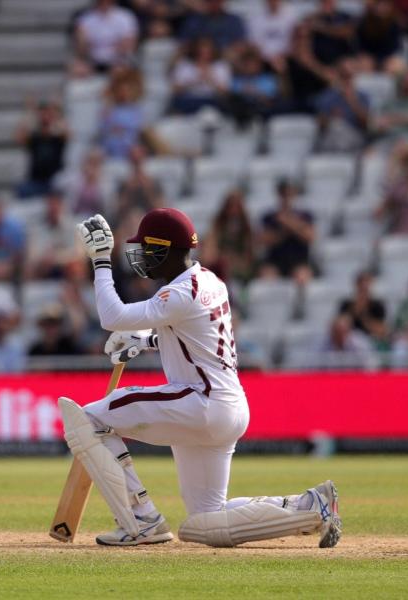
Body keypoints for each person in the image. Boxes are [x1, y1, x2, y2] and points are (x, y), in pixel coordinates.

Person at [64, 207, 340, 547]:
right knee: (204, 523)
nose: (142, 258)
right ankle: (310, 507)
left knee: (88, 418)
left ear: (163, 249)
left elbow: (112, 315)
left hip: (200, 402)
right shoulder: (210, 281)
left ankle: (141, 520)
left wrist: (101, 260)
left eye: (147, 250)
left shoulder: (179, 292)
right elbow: (195, 340)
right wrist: (146, 341)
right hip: (227, 407)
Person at [259, 179, 315, 282]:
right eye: (283, 194)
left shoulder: (305, 216)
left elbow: (310, 237)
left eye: (289, 194)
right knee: (267, 277)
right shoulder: (269, 217)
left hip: (299, 261)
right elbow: (263, 240)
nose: (286, 198)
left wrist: (289, 223)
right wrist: (283, 231)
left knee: (302, 277)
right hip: (275, 261)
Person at [15, 99, 68, 199]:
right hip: (36, 182)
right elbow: (19, 138)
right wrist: (29, 113)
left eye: (48, 114)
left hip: (54, 183)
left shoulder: (57, 138)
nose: (45, 117)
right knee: (21, 189)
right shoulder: (34, 138)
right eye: (43, 114)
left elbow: (67, 133)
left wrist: (56, 112)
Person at [315, 58, 370, 153]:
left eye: (349, 75)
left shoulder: (362, 96)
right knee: (336, 126)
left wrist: (352, 101)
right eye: (343, 75)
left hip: (354, 136)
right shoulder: (327, 96)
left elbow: (367, 124)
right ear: (338, 76)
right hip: (332, 136)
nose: (347, 79)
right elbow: (320, 124)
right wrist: (329, 118)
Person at [199, 188, 254, 284]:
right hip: (220, 265)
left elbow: (249, 256)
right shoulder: (217, 226)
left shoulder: (247, 230)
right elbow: (208, 253)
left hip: (239, 268)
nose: (234, 211)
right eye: (230, 206)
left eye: (237, 207)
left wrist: (234, 260)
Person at [168, 37, 231, 115]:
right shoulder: (184, 64)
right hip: (189, 99)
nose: (204, 52)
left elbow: (224, 93)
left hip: (211, 100)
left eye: (208, 49)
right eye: (201, 49)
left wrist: (210, 80)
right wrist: (194, 81)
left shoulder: (221, 66)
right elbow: (175, 90)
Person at [74, 0, 139, 74]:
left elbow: (129, 44)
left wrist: (114, 57)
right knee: (77, 69)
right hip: (92, 60)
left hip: (118, 60)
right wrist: (83, 46)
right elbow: (81, 47)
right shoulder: (85, 19)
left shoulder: (125, 17)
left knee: (120, 71)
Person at [338, 271, 388, 346]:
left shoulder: (378, 305)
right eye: (361, 283)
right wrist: (353, 311)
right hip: (350, 343)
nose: (364, 286)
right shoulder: (346, 305)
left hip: (372, 342)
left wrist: (363, 315)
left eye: (367, 283)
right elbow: (340, 327)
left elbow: (381, 331)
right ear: (356, 285)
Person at [314, 313, 378, 370]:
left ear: (348, 331)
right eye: (336, 331)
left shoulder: (359, 343)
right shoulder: (322, 343)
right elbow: (314, 365)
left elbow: (371, 365)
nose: (338, 335)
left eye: (341, 331)